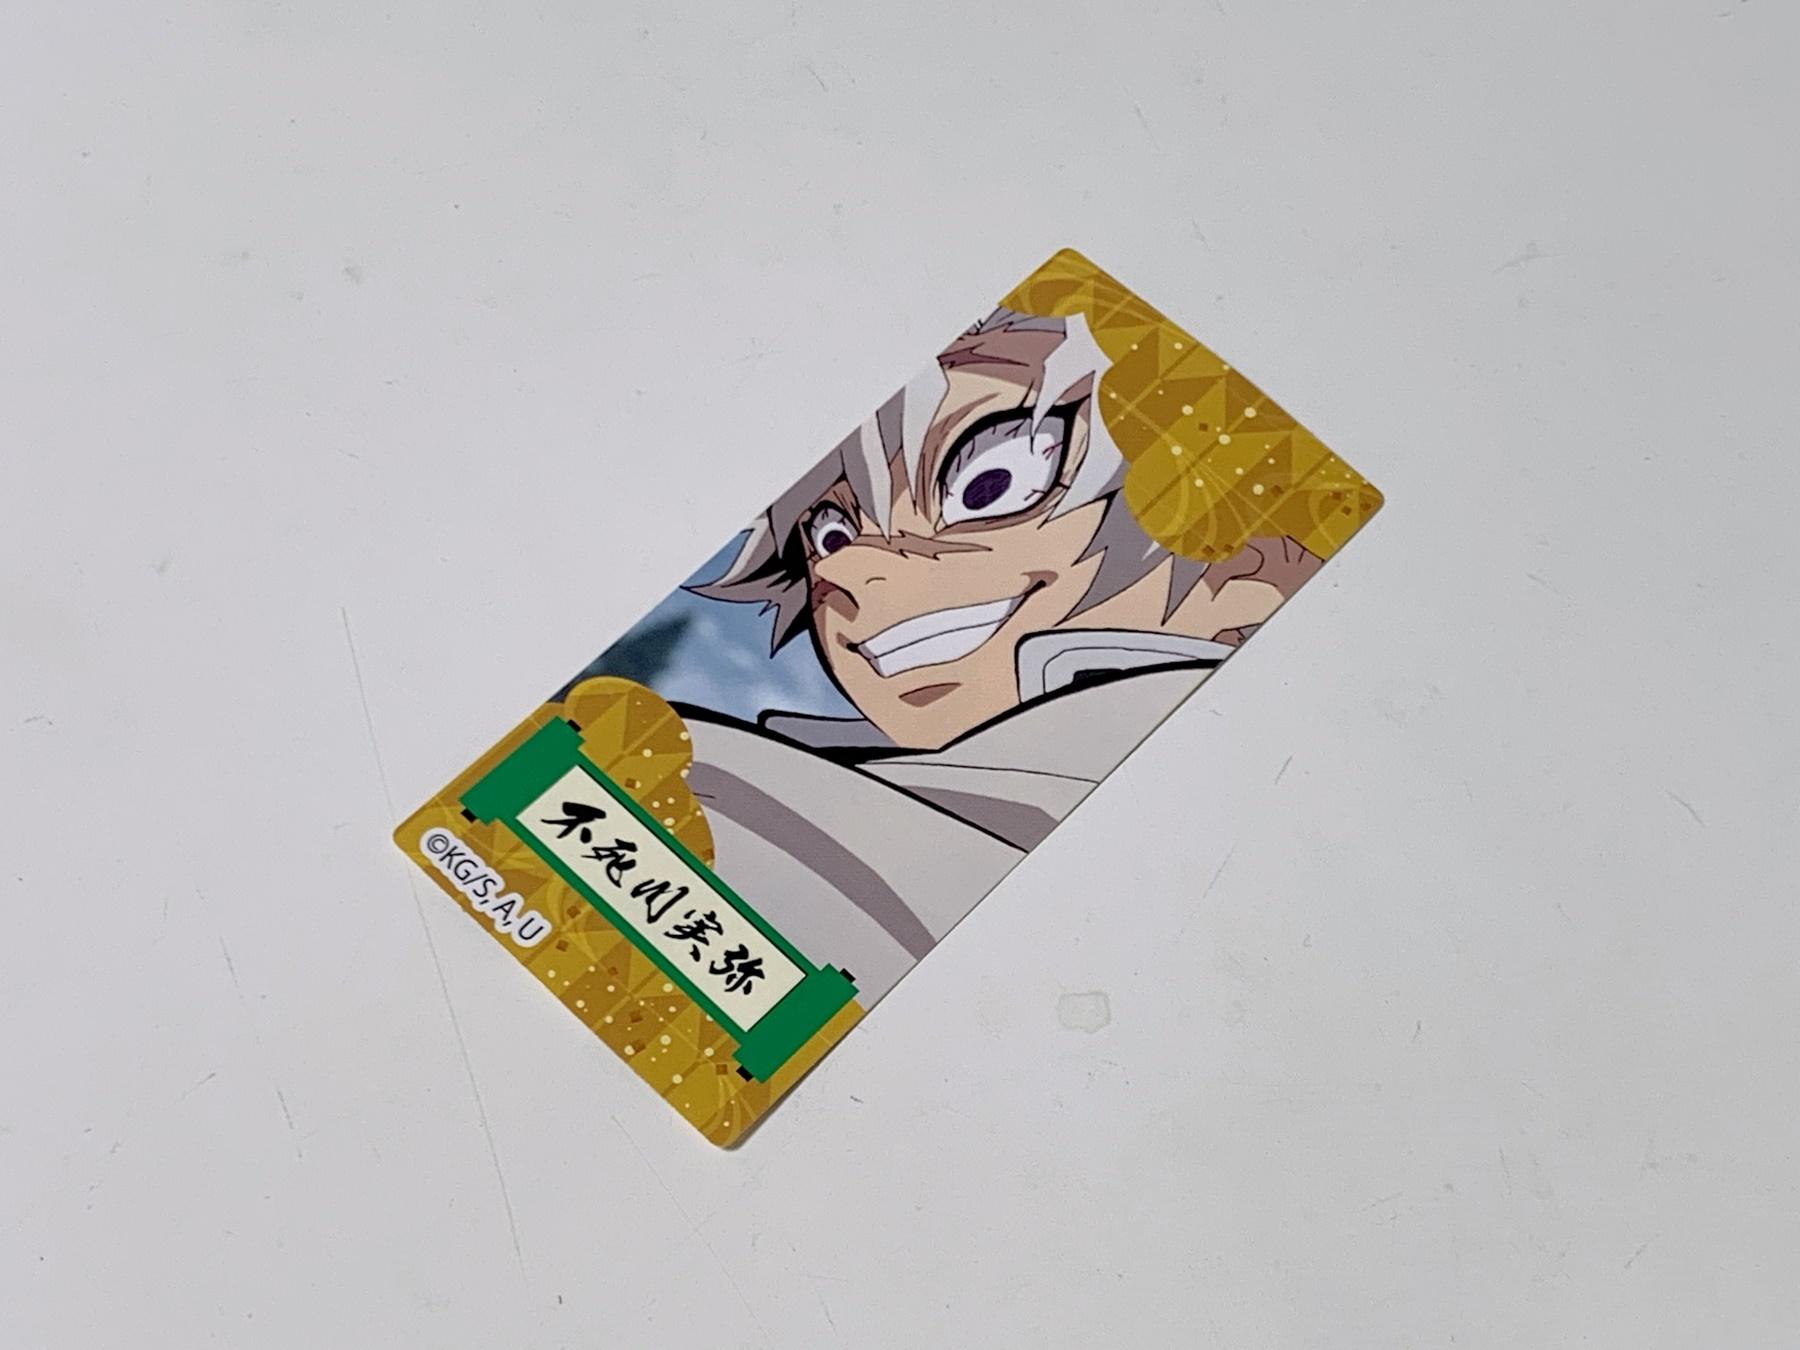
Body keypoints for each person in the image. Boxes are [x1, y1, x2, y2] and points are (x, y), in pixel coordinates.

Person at [675, 306, 1324, 1004]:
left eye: (992, 483)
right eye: (830, 536)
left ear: (1242, 564)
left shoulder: (725, 789)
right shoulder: (716, 773)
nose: (848, 573)